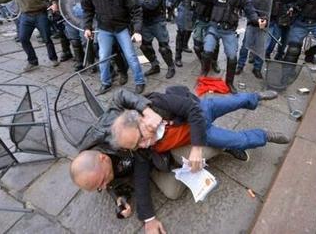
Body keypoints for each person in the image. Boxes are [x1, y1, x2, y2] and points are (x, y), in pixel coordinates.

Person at [106, 86, 287, 232]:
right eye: (137, 146)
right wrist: (148, 219)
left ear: (141, 119)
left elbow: (192, 109)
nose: (143, 145)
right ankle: (264, 136)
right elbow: (141, 179)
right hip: (204, 134)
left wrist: (197, 149)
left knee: (236, 101)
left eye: (141, 139)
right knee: (239, 141)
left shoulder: (156, 104)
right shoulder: (143, 149)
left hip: (202, 110)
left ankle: (256, 97)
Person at [81, 0, 146, 95]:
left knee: (130, 56)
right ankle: (105, 83)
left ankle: (139, 81)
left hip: (121, 27)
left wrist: (137, 30)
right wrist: (87, 27)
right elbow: (87, 9)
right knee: (103, 57)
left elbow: (135, 9)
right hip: (104, 28)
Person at [196, 0, 262, 94]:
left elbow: (250, 11)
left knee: (232, 57)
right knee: (207, 50)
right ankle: (203, 74)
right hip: (214, 27)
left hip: (229, 31)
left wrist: (257, 20)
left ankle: (229, 82)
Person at [237, 0, 296, 79]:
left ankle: (257, 68)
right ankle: (240, 65)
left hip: (272, 20)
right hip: (256, 19)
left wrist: (292, 5)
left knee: (263, 46)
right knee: (246, 43)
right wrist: (254, 17)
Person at [132, 0, 176, 79]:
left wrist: (138, 1)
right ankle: (155, 65)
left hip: (157, 19)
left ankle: (171, 66)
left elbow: (152, 4)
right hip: (144, 20)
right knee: (145, 46)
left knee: (164, 47)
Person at [43, 0, 80, 66]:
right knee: (73, 39)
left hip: (75, 14)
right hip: (64, 17)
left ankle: (91, 60)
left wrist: (60, 6)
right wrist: (54, 4)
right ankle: (79, 60)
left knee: (84, 39)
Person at [192, 0, 221, 74]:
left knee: (214, 45)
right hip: (200, 18)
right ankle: (204, 63)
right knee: (197, 46)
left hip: (213, 21)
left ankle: (214, 62)